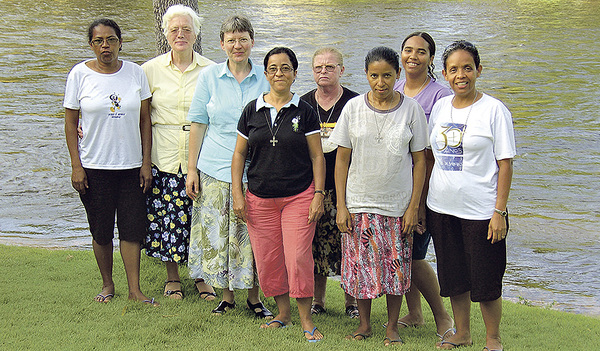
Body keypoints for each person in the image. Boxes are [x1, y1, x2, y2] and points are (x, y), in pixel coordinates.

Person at [329, 46, 428, 346]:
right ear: (366, 75)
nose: (380, 82)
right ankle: (364, 325)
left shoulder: (412, 110)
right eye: (374, 75)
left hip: (397, 206)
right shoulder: (353, 108)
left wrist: (414, 207)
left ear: (397, 74)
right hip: (359, 202)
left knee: (396, 269)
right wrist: (341, 206)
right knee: (361, 269)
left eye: (387, 75)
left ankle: (392, 328)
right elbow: (342, 160)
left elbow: (420, 161)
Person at [231, 47, 325, 342]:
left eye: (285, 68)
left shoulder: (305, 110)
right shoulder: (251, 110)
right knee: (269, 259)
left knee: (297, 257)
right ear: (266, 73)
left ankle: (306, 320)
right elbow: (238, 155)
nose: (279, 74)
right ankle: (282, 314)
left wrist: (319, 194)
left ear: (295, 74)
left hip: (299, 195)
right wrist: (238, 193)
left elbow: (317, 157)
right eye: (273, 68)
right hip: (259, 197)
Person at [427, 40, 515, 351]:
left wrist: (499, 211)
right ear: (444, 74)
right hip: (441, 206)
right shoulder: (440, 107)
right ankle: (461, 333)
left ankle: (493, 339)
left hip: (481, 211)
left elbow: (505, 163)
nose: (460, 74)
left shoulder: (494, 110)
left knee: (487, 280)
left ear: (478, 70)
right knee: (454, 277)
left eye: (467, 68)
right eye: (454, 69)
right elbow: (428, 156)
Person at [64, 19, 157, 306]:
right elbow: (70, 123)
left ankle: (135, 289)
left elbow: (145, 121)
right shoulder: (79, 74)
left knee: (131, 230)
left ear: (120, 42)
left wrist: (145, 163)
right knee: (101, 230)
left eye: (111, 40)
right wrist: (76, 166)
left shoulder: (135, 72)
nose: (105, 46)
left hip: (130, 167)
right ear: (91, 44)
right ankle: (107, 284)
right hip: (94, 167)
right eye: (99, 41)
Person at [186, 15, 272, 317]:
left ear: (252, 41)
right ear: (221, 44)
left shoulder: (266, 77)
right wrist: (192, 169)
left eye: (243, 38)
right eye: (231, 40)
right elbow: (198, 124)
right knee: (220, 235)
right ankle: (226, 295)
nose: (238, 45)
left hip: (257, 170)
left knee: (252, 236)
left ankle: (254, 297)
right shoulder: (209, 77)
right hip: (214, 167)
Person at [141, 5, 214, 300]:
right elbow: (137, 113)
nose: (180, 34)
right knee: (167, 216)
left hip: (202, 153)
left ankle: (202, 277)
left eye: (186, 29)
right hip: (164, 152)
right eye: (174, 30)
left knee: (200, 217)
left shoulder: (212, 70)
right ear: (166, 33)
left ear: (195, 33)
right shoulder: (149, 70)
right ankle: (173, 278)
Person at [391, 32, 455, 339]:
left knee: (415, 256)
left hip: (425, 185)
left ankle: (442, 317)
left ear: (431, 58)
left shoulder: (440, 96)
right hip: (394, 185)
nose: (412, 56)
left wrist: (420, 201)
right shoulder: (394, 86)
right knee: (403, 252)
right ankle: (414, 313)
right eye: (407, 50)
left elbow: (435, 151)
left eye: (421, 51)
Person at [300, 48, 359, 319]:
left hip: (348, 186)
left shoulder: (355, 103)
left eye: (330, 67)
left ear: (342, 70)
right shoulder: (301, 104)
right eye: (318, 67)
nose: (324, 71)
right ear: (312, 71)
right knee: (315, 244)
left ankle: (353, 303)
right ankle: (318, 301)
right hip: (311, 187)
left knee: (348, 242)